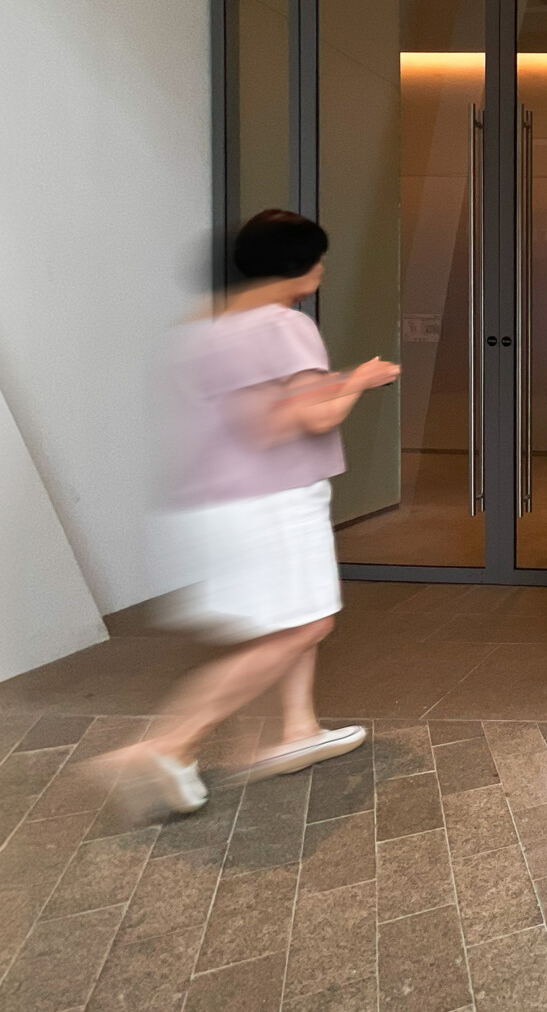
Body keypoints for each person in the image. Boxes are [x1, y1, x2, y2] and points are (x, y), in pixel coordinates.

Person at [104, 210, 399, 818]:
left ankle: (297, 729)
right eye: (318, 258)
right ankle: (170, 743)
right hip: (277, 499)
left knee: (293, 615)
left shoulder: (208, 330)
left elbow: (263, 407)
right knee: (306, 626)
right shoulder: (285, 326)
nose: (322, 268)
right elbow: (309, 416)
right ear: (299, 265)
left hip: (219, 502)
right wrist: (360, 380)